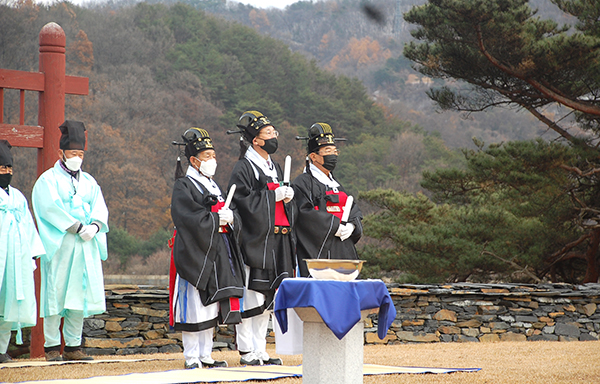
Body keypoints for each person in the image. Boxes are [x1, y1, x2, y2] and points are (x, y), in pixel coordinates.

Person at [32, 120, 109, 362]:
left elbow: (100, 207)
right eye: (73, 153)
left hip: (85, 245)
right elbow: (48, 207)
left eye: (80, 153)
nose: (77, 157)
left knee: (79, 294)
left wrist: (95, 226)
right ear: (61, 153)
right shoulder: (48, 180)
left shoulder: (89, 181)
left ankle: (74, 346)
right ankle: (52, 346)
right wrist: (75, 227)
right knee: (55, 294)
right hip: (62, 244)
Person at [169, 127, 245, 369]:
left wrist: (231, 218)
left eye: (213, 156)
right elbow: (186, 218)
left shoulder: (213, 185)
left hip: (218, 249)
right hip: (196, 250)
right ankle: (191, 356)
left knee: (211, 304)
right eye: (207, 157)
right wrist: (214, 219)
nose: (213, 161)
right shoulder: (184, 186)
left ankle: (206, 355)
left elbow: (228, 214)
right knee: (194, 305)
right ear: (193, 160)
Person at [227, 111, 296, 366]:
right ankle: (247, 351)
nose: (274, 136)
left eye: (273, 132)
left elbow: (281, 201)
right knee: (252, 296)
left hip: (277, 239)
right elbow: (240, 202)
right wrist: (272, 197)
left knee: (268, 299)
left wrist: (288, 198)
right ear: (255, 140)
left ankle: (261, 348)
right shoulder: (244, 167)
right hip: (255, 240)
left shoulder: (274, 167)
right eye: (269, 133)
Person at [292, 123, 363, 277]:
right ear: (313, 156)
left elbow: (352, 207)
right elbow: (304, 214)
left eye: (335, 151)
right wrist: (334, 226)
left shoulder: (336, 183)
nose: (333, 155)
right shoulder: (302, 182)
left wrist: (352, 226)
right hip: (320, 252)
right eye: (327, 151)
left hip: (344, 248)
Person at [0, 140, 45, 363]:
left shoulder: (17, 196)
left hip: (15, 260)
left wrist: (33, 251)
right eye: (2, 168)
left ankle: (1, 350)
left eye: (9, 168)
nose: (6, 173)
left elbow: (27, 223)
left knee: (10, 306)